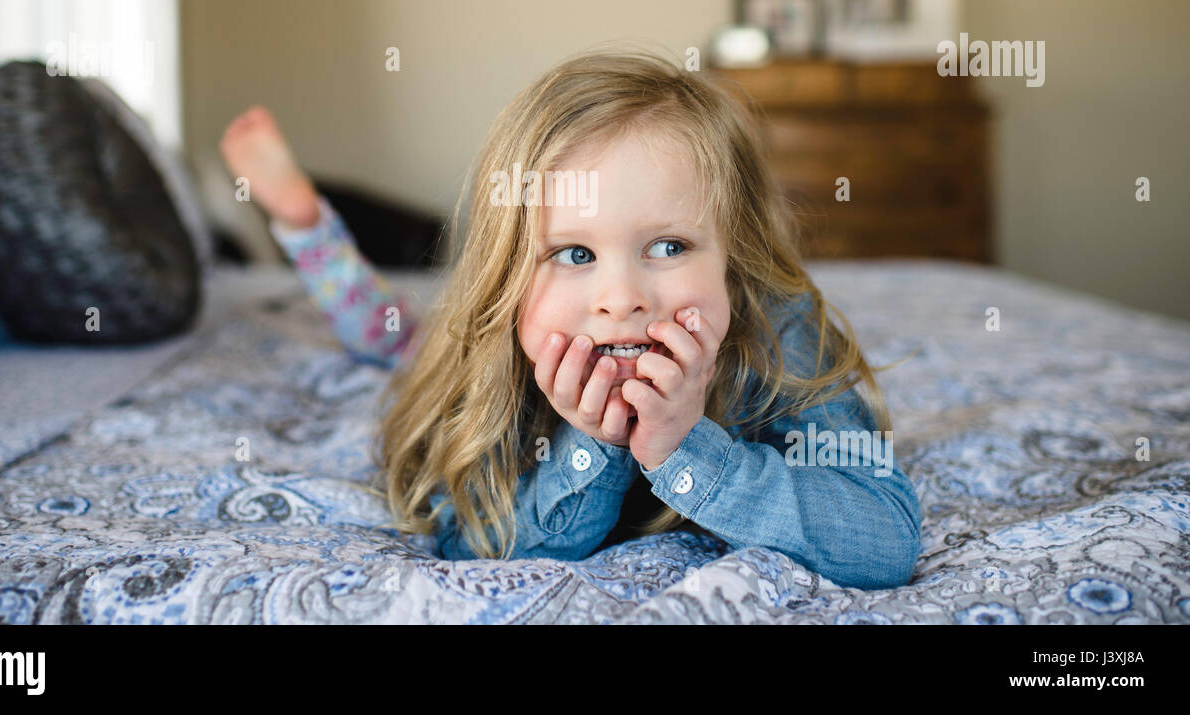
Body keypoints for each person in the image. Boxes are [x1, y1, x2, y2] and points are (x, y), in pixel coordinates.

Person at [219, 47, 923, 589]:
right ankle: (303, 219)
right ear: (509, 278)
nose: (622, 298)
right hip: (452, 335)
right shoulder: (492, 341)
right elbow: (475, 543)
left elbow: (885, 537)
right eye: (575, 252)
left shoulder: (780, 325)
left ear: (732, 259)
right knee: (395, 335)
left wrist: (690, 451)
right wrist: (590, 443)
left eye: (669, 245)